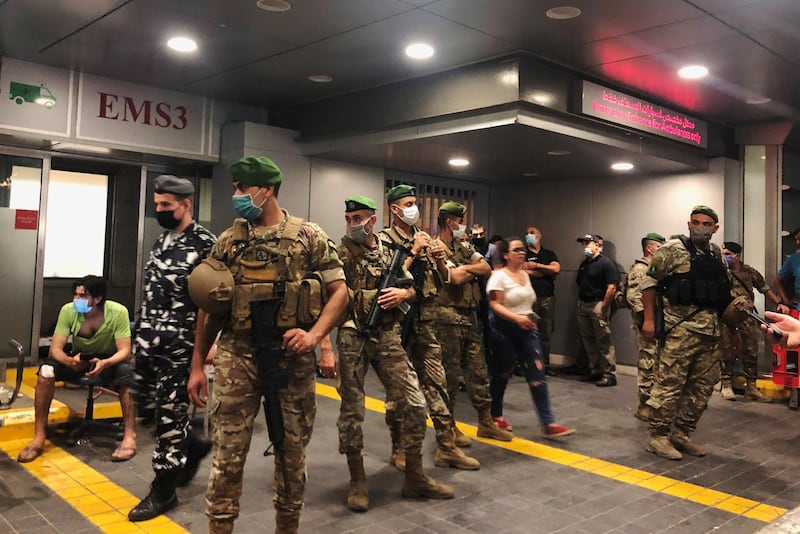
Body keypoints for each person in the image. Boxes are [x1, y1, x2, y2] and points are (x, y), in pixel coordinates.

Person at [187, 156, 348, 534]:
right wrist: (197, 365)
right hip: (237, 356)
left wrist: (314, 336)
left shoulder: (308, 236)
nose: (237, 195)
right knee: (226, 457)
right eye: (236, 187)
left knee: (291, 457)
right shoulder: (229, 240)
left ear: (267, 189)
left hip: (289, 359)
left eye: (243, 187)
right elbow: (208, 309)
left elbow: (340, 293)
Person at [335, 195, 453, 512]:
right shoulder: (340, 253)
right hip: (352, 334)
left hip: (387, 334)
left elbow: (412, 286)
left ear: (372, 220)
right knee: (352, 409)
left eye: (357, 218)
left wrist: (403, 292)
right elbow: (330, 295)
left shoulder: (391, 251)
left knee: (414, 402)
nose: (352, 224)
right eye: (348, 218)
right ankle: (357, 479)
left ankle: (414, 476)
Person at [128, 175, 217, 522]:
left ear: (186, 204)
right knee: (148, 408)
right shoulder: (161, 240)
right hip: (149, 344)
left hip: (179, 349)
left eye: (166, 206)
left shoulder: (205, 244)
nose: (160, 211)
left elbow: (210, 306)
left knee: (168, 419)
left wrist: (203, 355)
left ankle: (163, 490)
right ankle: (191, 446)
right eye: (157, 206)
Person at [380, 184, 479, 471]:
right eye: (408, 203)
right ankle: (398, 448)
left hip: (425, 323)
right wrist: (412, 251)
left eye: (415, 202)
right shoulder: (385, 240)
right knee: (398, 393)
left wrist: (437, 259)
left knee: (438, 385)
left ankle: (446, 446)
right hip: (397, 327)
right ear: (394, 209)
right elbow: (387, 278)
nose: (414, 208)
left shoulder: (423, 238)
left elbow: (444, 279)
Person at [640, 205, 737, 460]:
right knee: (669, 384)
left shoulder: (716, 254)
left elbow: (723, 291)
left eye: (707, 224)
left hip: (711, 332)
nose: (700, 227)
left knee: (702, 386)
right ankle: (658, 436)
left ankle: (681, 432)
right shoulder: (672, 249)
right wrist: (649, 320)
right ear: (688, 224)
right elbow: (649, 282)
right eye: (696, 222)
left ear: (715, 228)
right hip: (679, 330)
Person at [17, 276, 135, 463]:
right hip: (78, 358)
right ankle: (39, 436)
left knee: (127, 373)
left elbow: (125, 351)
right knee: (46, 371)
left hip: (108, 361)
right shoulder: (68, 311)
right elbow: (55, 349)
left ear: (97, 299)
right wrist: (70, 361)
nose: (77, 300)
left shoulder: (118, 312)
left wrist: (105, 363)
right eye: (76, 295)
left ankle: (129, 435)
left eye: (83, 295)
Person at [432, 201, 513, 444]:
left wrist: (464, 268)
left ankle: (486, 422)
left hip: (470, 318)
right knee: (451, 376)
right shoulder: (436, 248)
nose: (462, 226)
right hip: (447, 319)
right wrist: (468, 270)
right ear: (450, 222)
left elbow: (486, 266)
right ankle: (449, 427)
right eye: (459, 221)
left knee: (478, 372)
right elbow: (454, 278)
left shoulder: (464, 246)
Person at [486, 238, 574, 438]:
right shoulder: (498, 277)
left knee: (537, 375)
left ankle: (548, 422)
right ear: (506, 254)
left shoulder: (525, 276)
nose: (521, 252)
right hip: (504, 328)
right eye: (516, 250)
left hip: (527, 328)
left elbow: (528, 300)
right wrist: (516, 318)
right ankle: (495, 416)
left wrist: (527, 317)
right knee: (503, 373)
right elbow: (495, 305)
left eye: (522, 250)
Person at [719, 241, 788, 402]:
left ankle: (751, 387)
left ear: (737, 256)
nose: (725, 257)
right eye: (723, 253)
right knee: (726, 349)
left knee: (751, 350)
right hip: (726, 316)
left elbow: (765, 288)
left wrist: (779, 303)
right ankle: (726, 384)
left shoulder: (749, 272)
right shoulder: (720, 272)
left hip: (747, 316)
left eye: (728, 254)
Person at [624, 232, 666, 421]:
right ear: (649, 248)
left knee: (657, 364)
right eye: (659, 246)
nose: (662, 249)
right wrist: (648, 320)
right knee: (647, 363)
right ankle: (644, 405)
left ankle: (654, 403)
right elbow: (634, 298)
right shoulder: (640, 269)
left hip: (658, 323)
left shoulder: (655, 269)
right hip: (647, 325)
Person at [575, 234, 620, 387]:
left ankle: (610, 374)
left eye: (588, 243)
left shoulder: (606, 263)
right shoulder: (584, 264)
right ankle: (595, 370)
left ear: (597, 245)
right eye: (583, 243)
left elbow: (612, 287)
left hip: (597, 304)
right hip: (584, 304)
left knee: (603, 340)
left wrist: (604, 307)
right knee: (588, 340)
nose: (585, 246)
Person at [522, 226, 560, 376]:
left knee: (546, 332)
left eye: (532, 233)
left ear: (540, 235)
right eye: (527, 234)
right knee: (527, 332)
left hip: (547, 299)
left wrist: (536, 266)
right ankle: (527, 363)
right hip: (528, 299)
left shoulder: (548, 253)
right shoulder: (523, 253)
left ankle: (545, 364)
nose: (528, 236)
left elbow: (556, 269)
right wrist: (546, 272)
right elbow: (523, 271)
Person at [773, 227, 800, 309]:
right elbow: (777, 281)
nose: (797, 242)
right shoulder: (794, 259)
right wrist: (786, 301)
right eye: (797, 239)